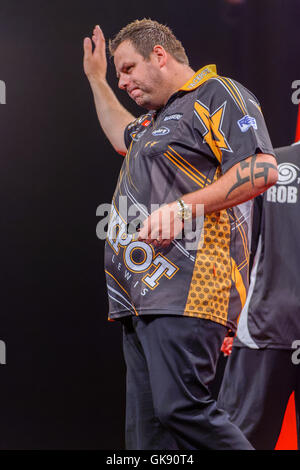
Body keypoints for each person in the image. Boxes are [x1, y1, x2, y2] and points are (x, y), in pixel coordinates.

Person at [83, 19, 278, 450]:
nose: (124, 81)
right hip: (139, 295)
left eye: (128, 68)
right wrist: (97, 80)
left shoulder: (217, 93)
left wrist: (184, 206)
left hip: (190, 288)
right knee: (147, 436)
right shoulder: (155, 122)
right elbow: (121, 132)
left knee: (181, 410)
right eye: (118, 74)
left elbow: (263, 169)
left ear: (159, 55)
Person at [218, 142, 300, 450]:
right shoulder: (269, 165)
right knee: (239, 442)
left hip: (263, 327)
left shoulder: (270, 163)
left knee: (239, 441)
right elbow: (237, 241)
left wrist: (227, 319)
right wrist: (228, 318)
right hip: (263, 327)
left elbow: (235, 245)